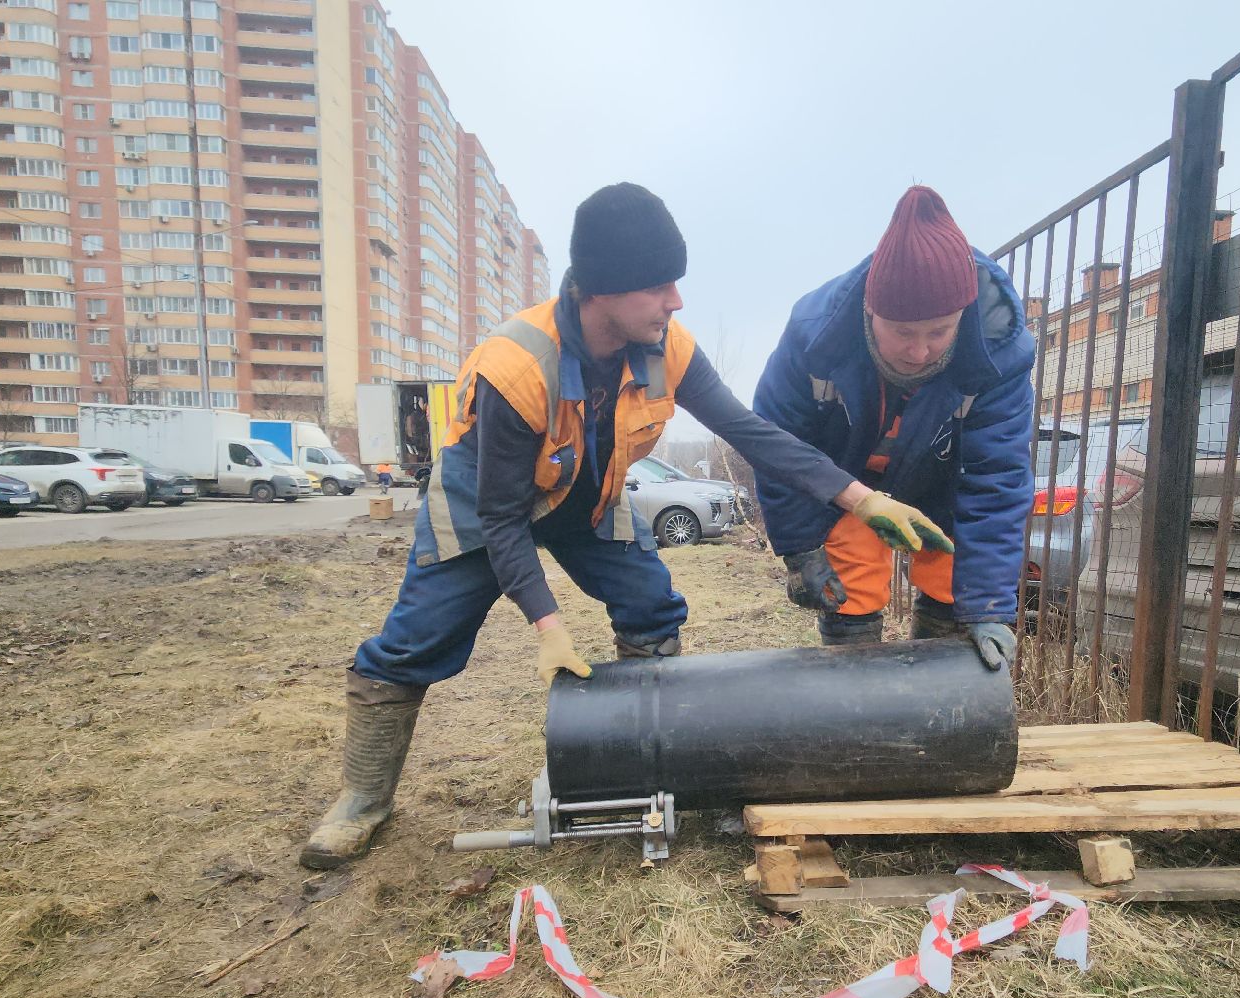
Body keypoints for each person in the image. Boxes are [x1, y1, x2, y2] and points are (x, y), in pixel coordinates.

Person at [299, 182, 948, 868]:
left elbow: (751, 432)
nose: (676, 300)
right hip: (483, 503)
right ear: (601, 290)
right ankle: (363, 798)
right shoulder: (515, 368)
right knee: (412, 643)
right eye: (658, 285)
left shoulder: (666, 346)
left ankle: (642, 763)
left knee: (651, 605)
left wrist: (859, 499)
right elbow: (502, 518)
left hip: (588, 495)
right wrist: (548, 626)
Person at [752, 185, 1035, 670]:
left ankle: (940, 708)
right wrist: (800, 547)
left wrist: (987, 604)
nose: (920, 351)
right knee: (850, 586)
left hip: (944, 483)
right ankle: (857, 714)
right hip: (847, 483)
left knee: (955, 576)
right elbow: (778, 446)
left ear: (962, 317)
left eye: (938, 332)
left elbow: (998, 476)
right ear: (870, 310)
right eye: (903, 332)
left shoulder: (999, 353)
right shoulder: (813, 335)